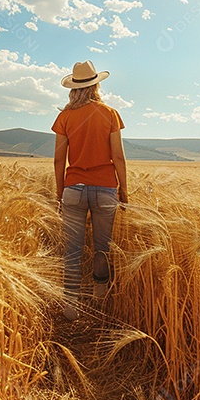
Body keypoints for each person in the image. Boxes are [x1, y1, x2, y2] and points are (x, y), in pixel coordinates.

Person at [52, 60, 128, 320]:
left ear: (73, 89)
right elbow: (118, 157)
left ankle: (70, 306)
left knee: (72, 249)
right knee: (102, 248)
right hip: (106, 188)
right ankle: (99, 299)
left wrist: (60, 193)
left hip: (73, 188)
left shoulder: (64, 117)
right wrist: (124, 190)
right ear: (96, 86)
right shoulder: (110, 113)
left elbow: (58, 160)